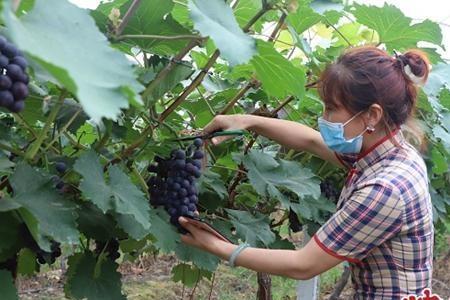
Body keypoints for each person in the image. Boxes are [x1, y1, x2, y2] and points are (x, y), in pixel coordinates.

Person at [177, 46, 433, 299]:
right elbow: (310, 141)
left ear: (372, 115)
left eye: (331, 108)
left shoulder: (385, 189)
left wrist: (216, 246)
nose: (323, 118)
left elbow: (303, 264)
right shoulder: (388, 151)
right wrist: (249, 121)